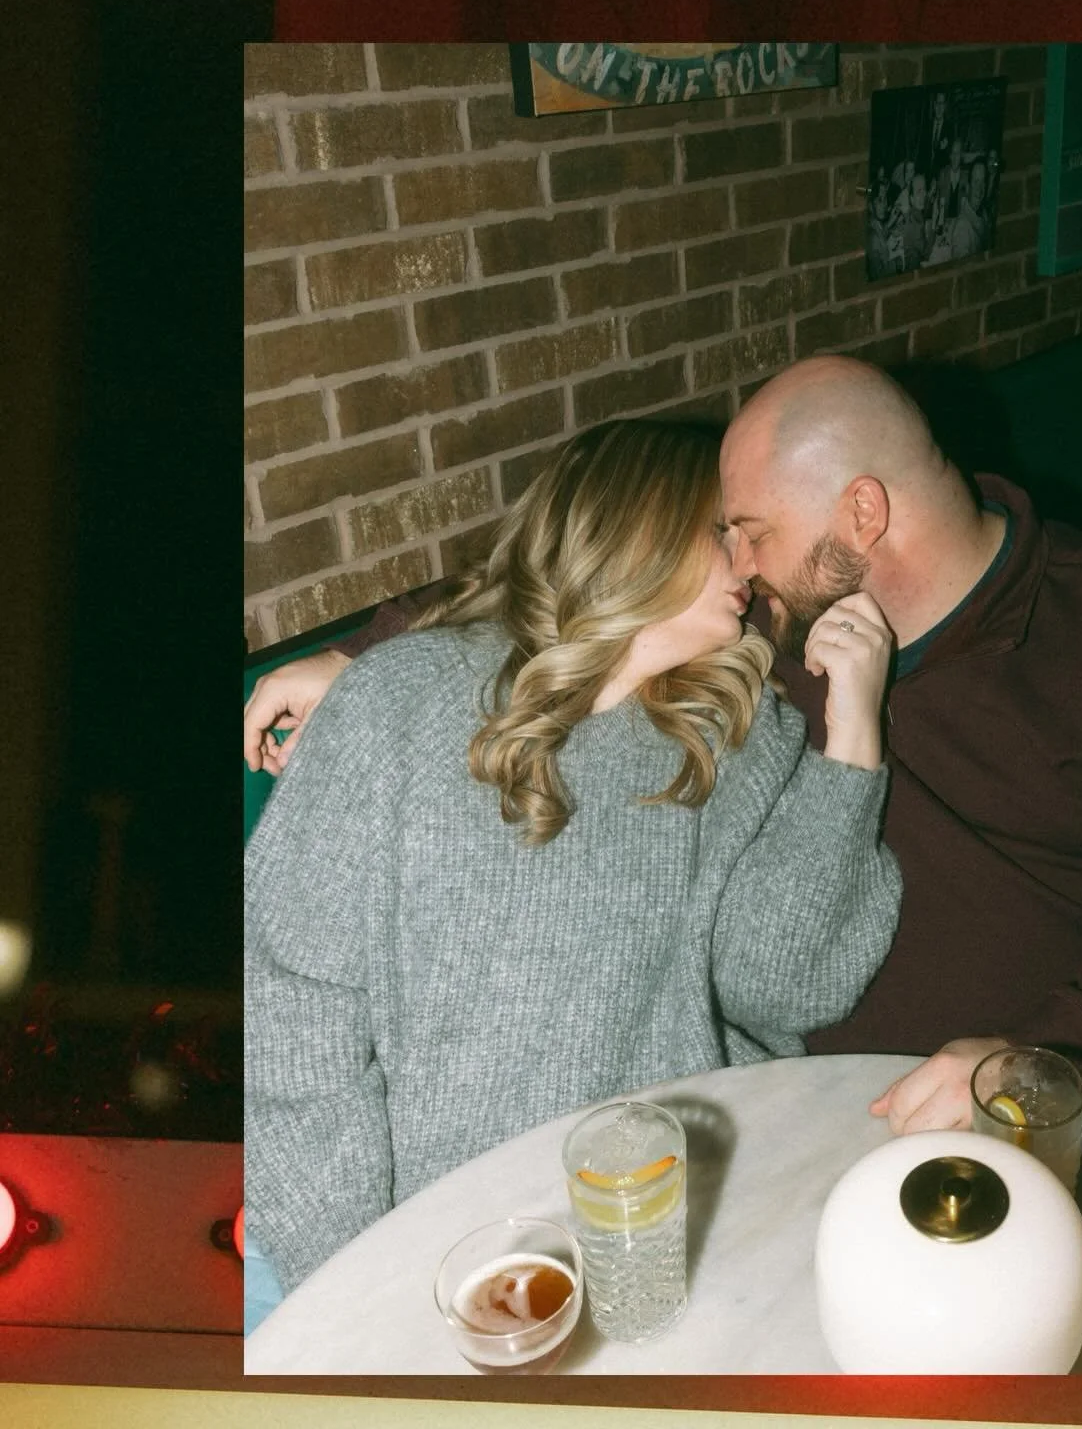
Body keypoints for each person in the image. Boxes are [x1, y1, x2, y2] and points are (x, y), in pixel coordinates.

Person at [246, 354, 1082, 1141]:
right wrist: (364, 656)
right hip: (813, 1123)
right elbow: (596, 586)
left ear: (861, 512)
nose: (738, 563)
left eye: (750, 529)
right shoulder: (769, 621)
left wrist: (1042, 1059)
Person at [244, 417, 901, 1295]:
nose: (751, 564)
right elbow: (291, 1016)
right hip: (412, 1238)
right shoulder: (402, 703)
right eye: (722, 533)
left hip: (652, 1222)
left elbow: (782, 986)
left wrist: (853, 734)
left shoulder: (739, 735)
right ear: (638, 530)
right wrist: (362, 1270)